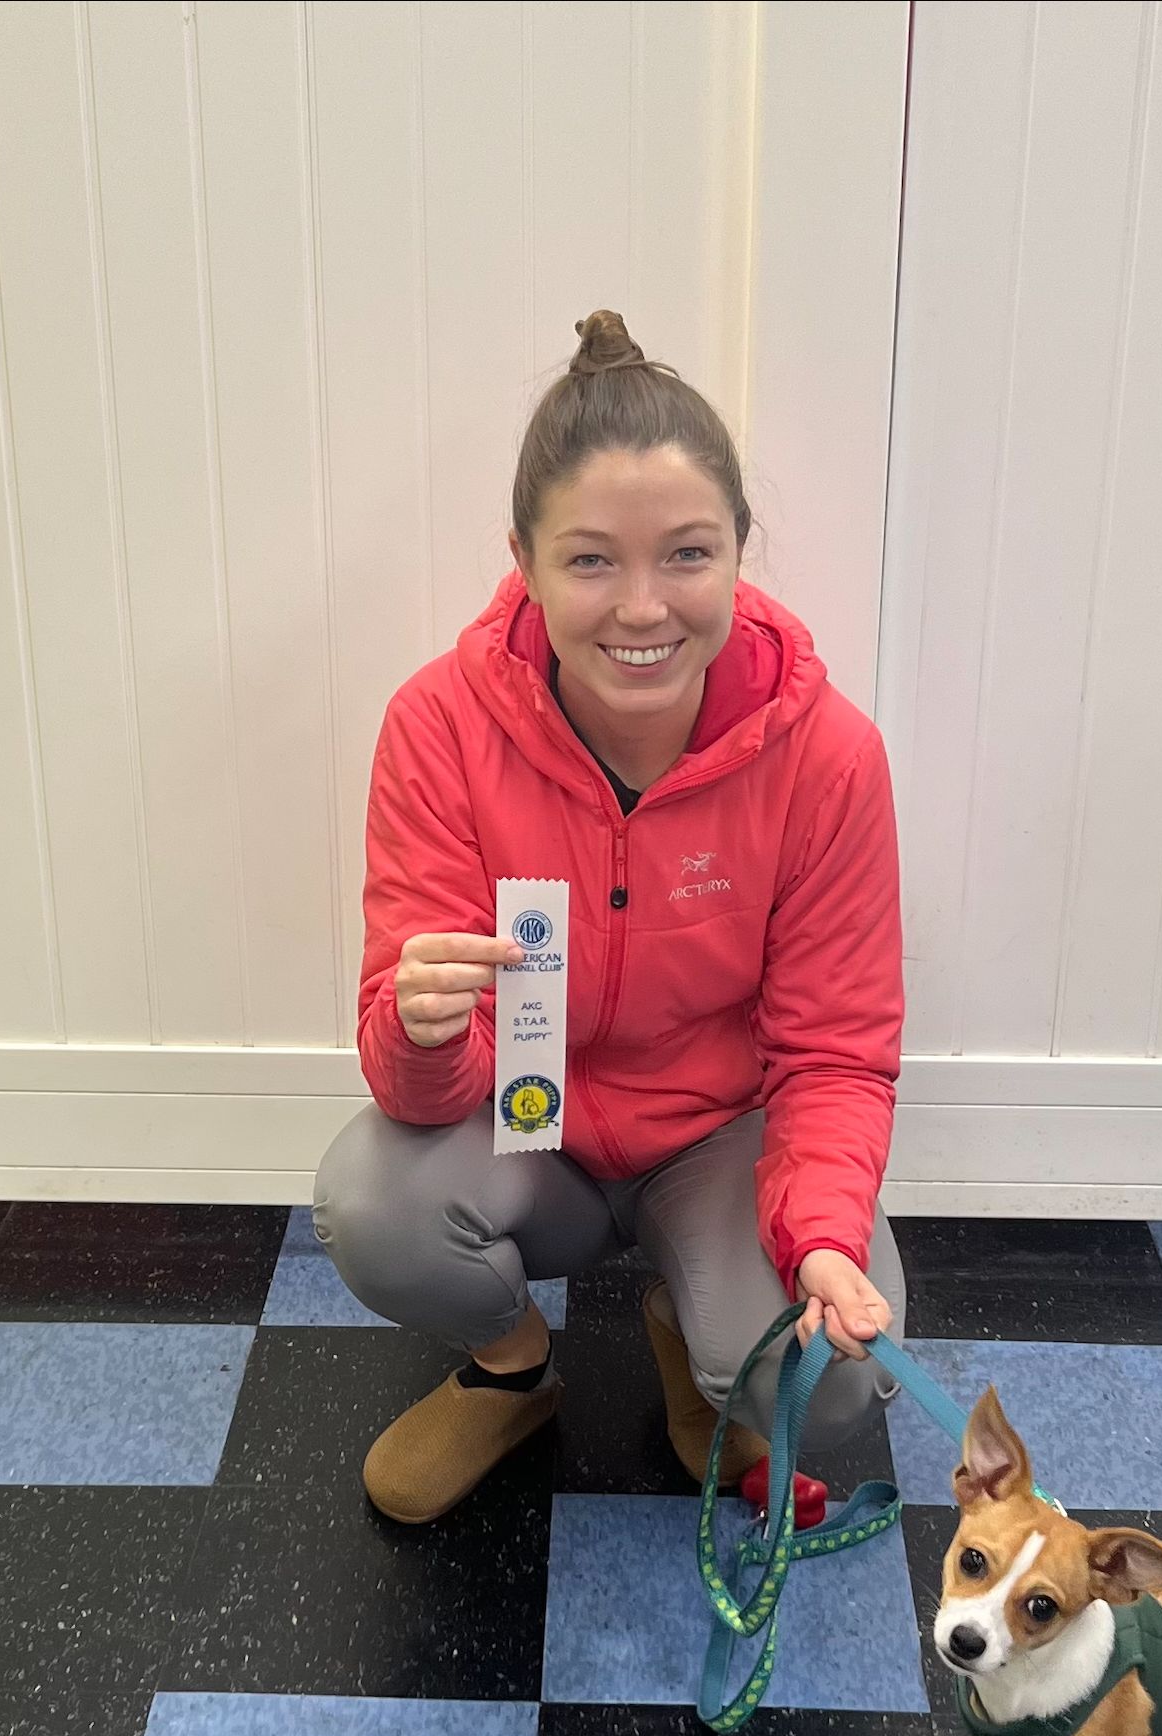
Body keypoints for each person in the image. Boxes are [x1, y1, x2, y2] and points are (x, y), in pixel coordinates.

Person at [313, 310, 907, 1524]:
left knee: (834, 1378)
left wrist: (823, 1238)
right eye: (590, 560)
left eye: (686, 553)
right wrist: (418, 1033)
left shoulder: (830, 756)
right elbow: (413, 1083)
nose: (642, 607)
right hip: (535, 1126)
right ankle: (512, 1372)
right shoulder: (436, 725)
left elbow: (835, 1051)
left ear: (741, 548)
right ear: (522, 559)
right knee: (376, 1204)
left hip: (719, 1138)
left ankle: (699, 1332)